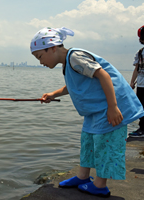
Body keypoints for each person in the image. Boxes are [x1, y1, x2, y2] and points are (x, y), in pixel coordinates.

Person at [30, 27, 144, 198]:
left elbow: (103, 75)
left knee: (106, 144)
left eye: (40, 56)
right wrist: (53, 94)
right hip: (95, 110)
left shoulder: (75, 57)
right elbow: (73, 86)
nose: (40, 62)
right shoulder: (67, 64)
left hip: (111, 107)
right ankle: (83, 176)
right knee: (88, 142)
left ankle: (100, 185)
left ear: (52, 47)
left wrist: (113, 107)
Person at [129, 25, 144, 138]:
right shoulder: (140, 53)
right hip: (141, 84)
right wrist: (132, 82)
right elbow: (136, 69)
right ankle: (142, 128)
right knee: (141, 106)